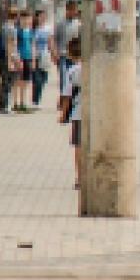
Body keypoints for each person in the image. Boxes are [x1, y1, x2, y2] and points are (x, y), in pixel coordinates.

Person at [60, 38, 83, 189]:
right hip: (93, 114)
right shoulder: (94, 67)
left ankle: (80, 178)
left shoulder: (72, 71)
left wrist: (63, 115)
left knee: (78, 146)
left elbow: (67, 96)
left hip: (78, 113)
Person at [11, 10, 34, 112]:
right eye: (24, 19)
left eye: (28, 19)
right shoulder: (17, 31)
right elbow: (14, 46)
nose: (26, 21)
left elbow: (33, 45)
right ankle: (15, 103)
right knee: (18, 81)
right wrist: (17, 58)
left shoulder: (30, 31)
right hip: (19, 59)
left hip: (28, 58)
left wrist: (33, 59)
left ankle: (23, 102)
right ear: (20, 20)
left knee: (26, 81)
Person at [31, 11, 52, 108]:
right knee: (37, 80)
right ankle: (35, 101)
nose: (43, 18)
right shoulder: (34, 29)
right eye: (41, 16)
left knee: (44, 79)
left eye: (44, 16)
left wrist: (53, 55)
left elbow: (50, 42)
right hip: (37, 57)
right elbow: (33, 45)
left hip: (46, 57)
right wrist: (34, 59)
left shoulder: (48, 29)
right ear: (37, 17)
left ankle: (37, 98)